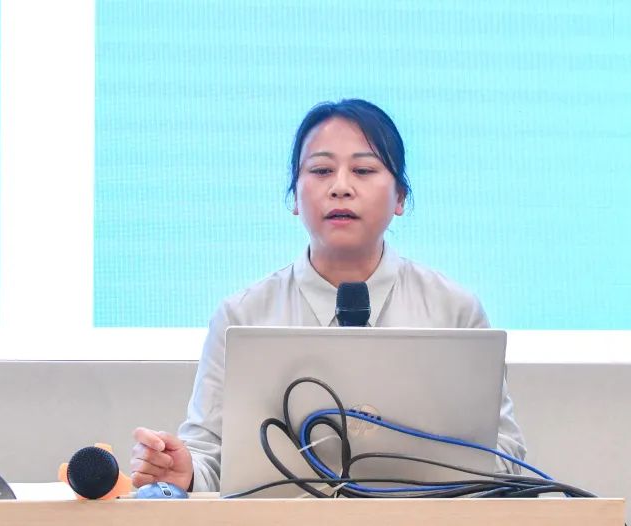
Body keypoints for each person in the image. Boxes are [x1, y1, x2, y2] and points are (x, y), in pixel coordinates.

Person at [130, 99, 527, 492]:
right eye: (321, 170)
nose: (340, 187)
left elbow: (505, 453)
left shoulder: (454, 311)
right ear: (293, 198)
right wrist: (184, 472)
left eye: (363, 170)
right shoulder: (242, 316)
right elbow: (208, 454)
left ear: (400, 197)